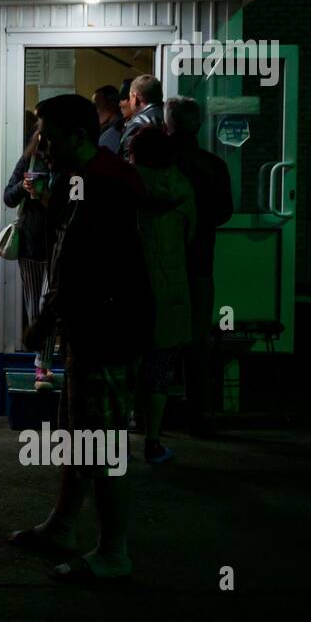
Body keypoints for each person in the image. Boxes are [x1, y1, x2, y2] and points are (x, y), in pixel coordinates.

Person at [10, 94, 152, 582]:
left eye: (47, 135)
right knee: (78, 433)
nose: (41, 145)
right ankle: (63, 525)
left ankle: (113, 553)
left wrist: (46, 320)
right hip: (90, 328)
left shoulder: (104, 186)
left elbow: (84, 270)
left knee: (103, 442)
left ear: (78, 136)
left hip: (108, 330)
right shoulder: (87, 179)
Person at [165, 96, 233, 436]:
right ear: (200, 124)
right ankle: (200, 414)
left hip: (162, 264)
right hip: (201, 262)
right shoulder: (214, 165)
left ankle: (151, 414)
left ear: (169, 123)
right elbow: (224, 212)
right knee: (197, 340)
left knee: (159, 337)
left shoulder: (158, 162)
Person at [128, 125, 196, 465]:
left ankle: (116, 438)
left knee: (124, 365)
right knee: (158, 370)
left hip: (128, 291)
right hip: (169, 290)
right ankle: (153, 442)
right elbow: (190, 235)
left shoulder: (125, 183)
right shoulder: (182, 187)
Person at [3, 128, 56, 390]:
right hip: (30, 245)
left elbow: (74, 201)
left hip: (56, 246)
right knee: (35, 306)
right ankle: (41, 366)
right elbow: (8, 197)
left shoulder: (67, 168)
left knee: (49, 305)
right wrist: (24, 188)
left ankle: (43, 365)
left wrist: (46, 196)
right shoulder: (28, 162)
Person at [119, 74, 163, 159]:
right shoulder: (172, 118)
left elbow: (128, 163)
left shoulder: (137, 124)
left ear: (135, 98)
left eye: (130, 97)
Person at [93, 85, 124, 155]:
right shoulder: (106, 128)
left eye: (97, 105)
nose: (94, 111)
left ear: (111, 104)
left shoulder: (116, 131)